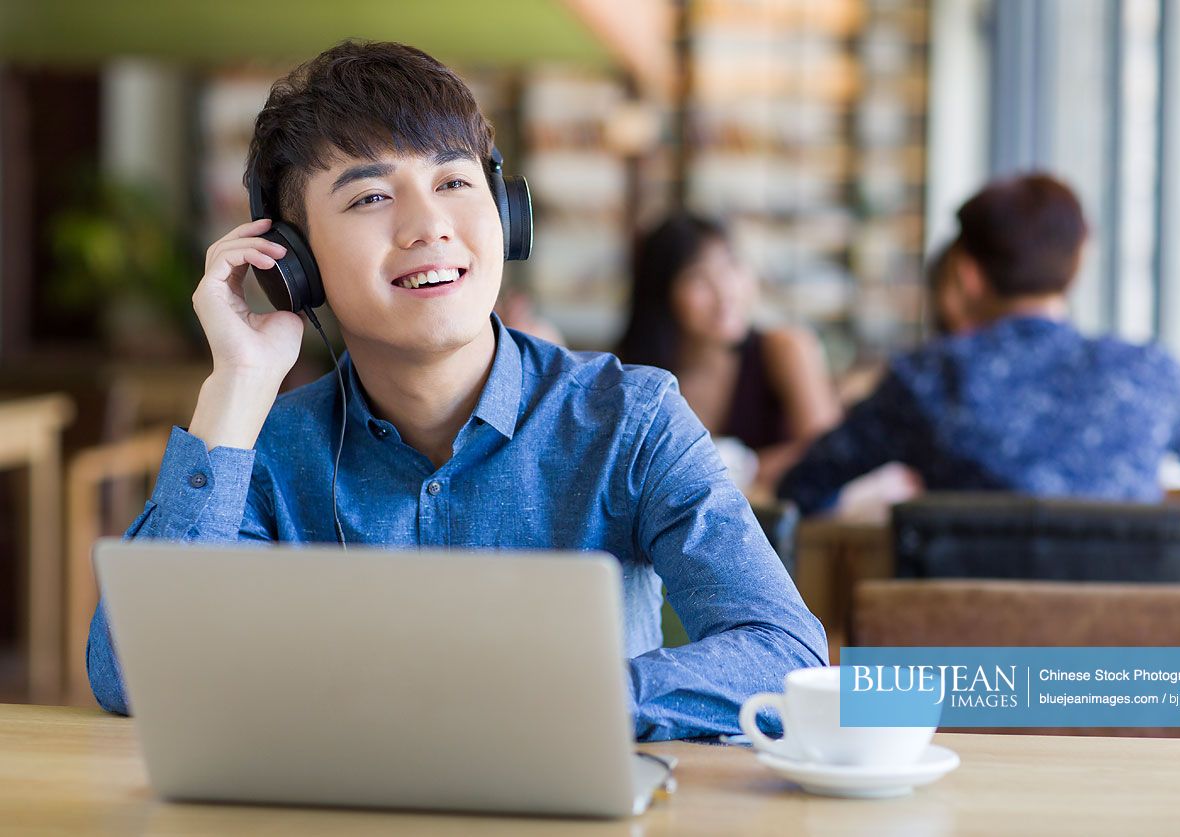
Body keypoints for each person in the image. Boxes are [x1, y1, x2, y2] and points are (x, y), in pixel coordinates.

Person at [86, 41, 827, 740]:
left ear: (505, 215)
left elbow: (783, 653)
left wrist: (565, 700)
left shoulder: (628, 417)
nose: (428, 225)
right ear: (294, 264)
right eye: (370, 198)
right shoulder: (263, 446)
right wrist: (237, 386)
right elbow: (134, 676)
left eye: (452, 182)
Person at [779, 173, 1180, 515]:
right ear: (1077, 265)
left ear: (966, 275)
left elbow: (804, 485)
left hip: (961, 649)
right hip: (1132, 650)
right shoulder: (1153, 374)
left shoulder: (927, 379)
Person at [616, 211, 839, 491]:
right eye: (697, 277)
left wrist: (744, 467)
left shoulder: (784, 349)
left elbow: (832, 457)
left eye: (731, 266)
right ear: (661, 294)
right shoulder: (634, 378)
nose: (725, 293)